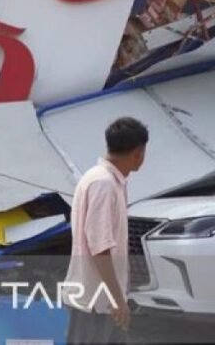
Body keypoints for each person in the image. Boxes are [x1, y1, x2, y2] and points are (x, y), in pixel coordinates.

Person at [62, 116, 149, 345]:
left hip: (102, 301)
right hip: (95, 302)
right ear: (138, 153)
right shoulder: (104, 184)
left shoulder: (105, 179)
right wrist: (118, 299)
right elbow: (99, 247)